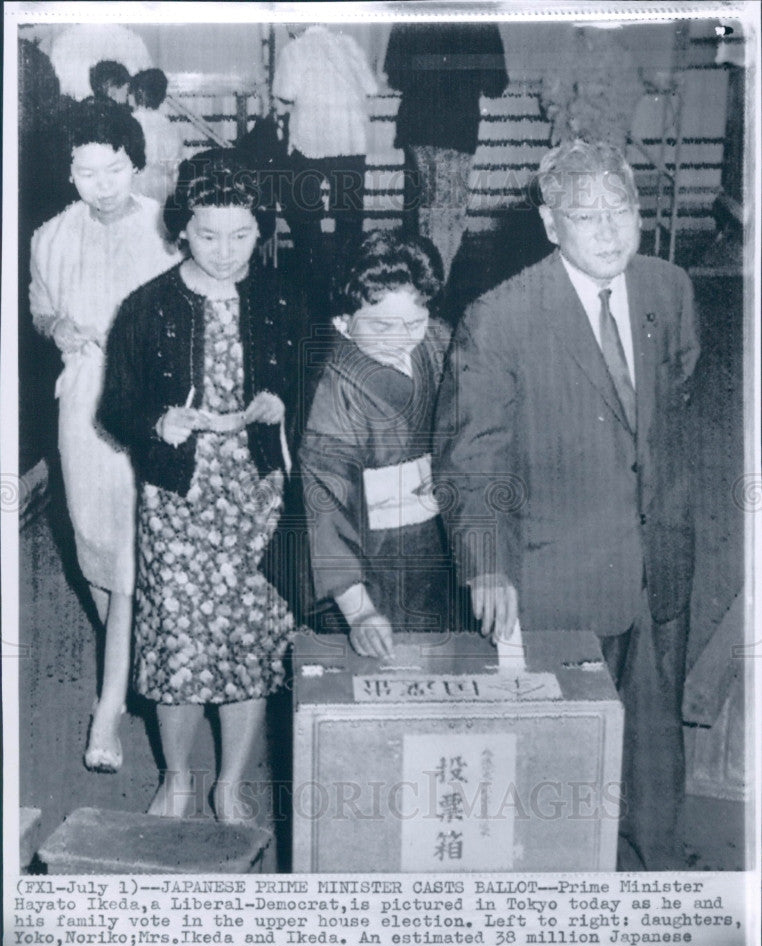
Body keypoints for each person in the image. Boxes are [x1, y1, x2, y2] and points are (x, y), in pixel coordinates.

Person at [434, 140, 699, 870]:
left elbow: (670, 401)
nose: (609, 231)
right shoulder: (501, 318)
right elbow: (470, 460)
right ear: (552, 225)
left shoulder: (669, 289)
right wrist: (488, 567)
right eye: (586, 217)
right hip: (553, 577)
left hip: (659, 560)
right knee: (557, 762)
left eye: (621, 211)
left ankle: (656, 885)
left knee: (653, 749)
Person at [98, 150, 300, 823]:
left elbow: (312, 379)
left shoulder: (281, 297)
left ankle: (231, 785)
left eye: (241, 235)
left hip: (255, 497)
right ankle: (179, 777)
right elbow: (114, 409)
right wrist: (158, 421)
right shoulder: (148, 306)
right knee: (176, 643)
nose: (224, 251)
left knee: (250, 641)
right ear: (181, 227)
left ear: (261, 231)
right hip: (178, 500)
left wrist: (281, 405)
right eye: (208, 234)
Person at [29, 98, 180, 772]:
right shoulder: (50, 235)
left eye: (114, 168)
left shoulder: (167, 228)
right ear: (67, 173)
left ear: (135, 163)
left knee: (132, 553)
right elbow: (41, 307)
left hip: (154, 403)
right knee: (95, 545)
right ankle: (131, 655)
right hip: (84, 403)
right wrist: (55, 327)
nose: (102, 184)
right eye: (86, 172)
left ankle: (109, 705)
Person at [299, 231, 459, 659]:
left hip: (433, 550)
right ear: (342, 322)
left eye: (416, 321)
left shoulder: (438, 342)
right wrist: (359, 611)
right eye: (382, 326)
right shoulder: (333, 391)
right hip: (365, 567)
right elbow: (324, 505)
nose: (402, 338)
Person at [384, 23, 507, 279]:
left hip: (416, 125)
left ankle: (420, 287)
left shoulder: (411, 11)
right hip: (457, 127)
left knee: (421, 212)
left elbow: (395, 75)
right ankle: (437, 287)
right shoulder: (478, 15)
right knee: (448, 214)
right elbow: (496, 83)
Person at [272, 24, 378, 284]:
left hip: (311, 143)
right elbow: (371, 88)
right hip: (351, 141)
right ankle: (349, 279)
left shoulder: (294, 50)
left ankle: (313, 275)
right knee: (349, 215)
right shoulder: (349, 45)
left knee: (304, 210)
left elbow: (284, 94)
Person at [129, 68, 185, 204]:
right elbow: (174, 166)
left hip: (133, 186)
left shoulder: (129, 123)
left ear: (139, 93)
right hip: (162, 189)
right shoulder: (171, 127)